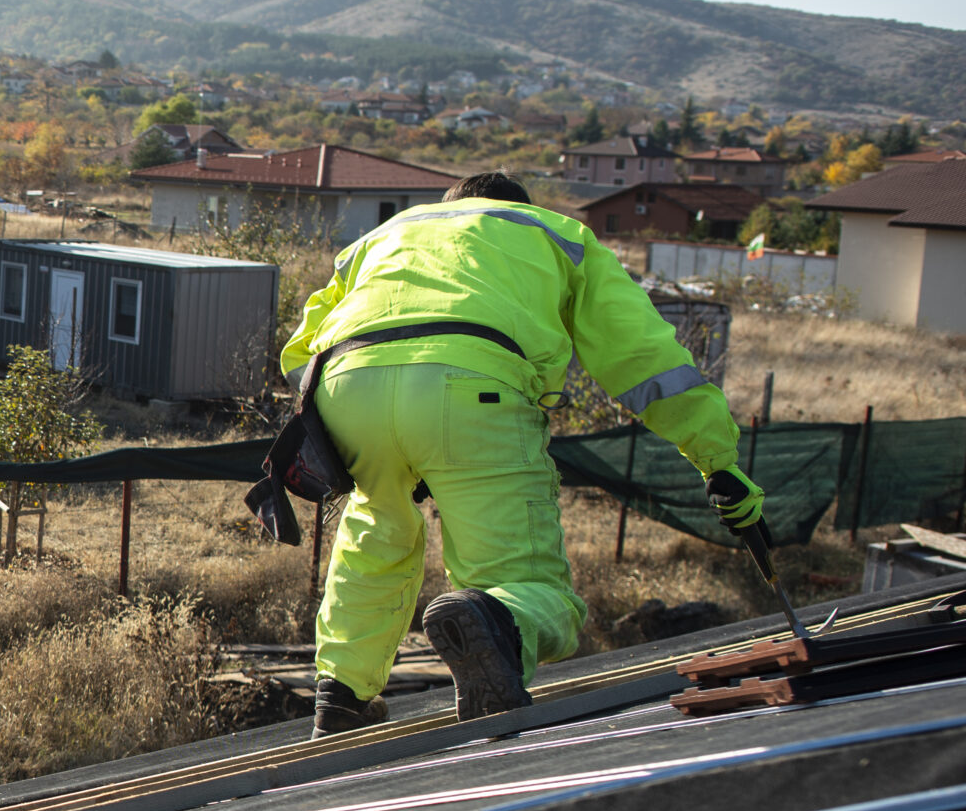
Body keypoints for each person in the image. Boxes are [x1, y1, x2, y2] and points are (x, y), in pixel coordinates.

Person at [281, 172, 762, 736]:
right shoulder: (556, 234)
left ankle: (341, 693)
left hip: (346, 386)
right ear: (514, 207)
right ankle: (500, 622)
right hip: (474, 385)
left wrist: (341, 428)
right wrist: (717, 459)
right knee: (528, 584)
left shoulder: (382, 237)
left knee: (375, 531)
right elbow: (646, 358)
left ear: (450, 207)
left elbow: (299, 348)